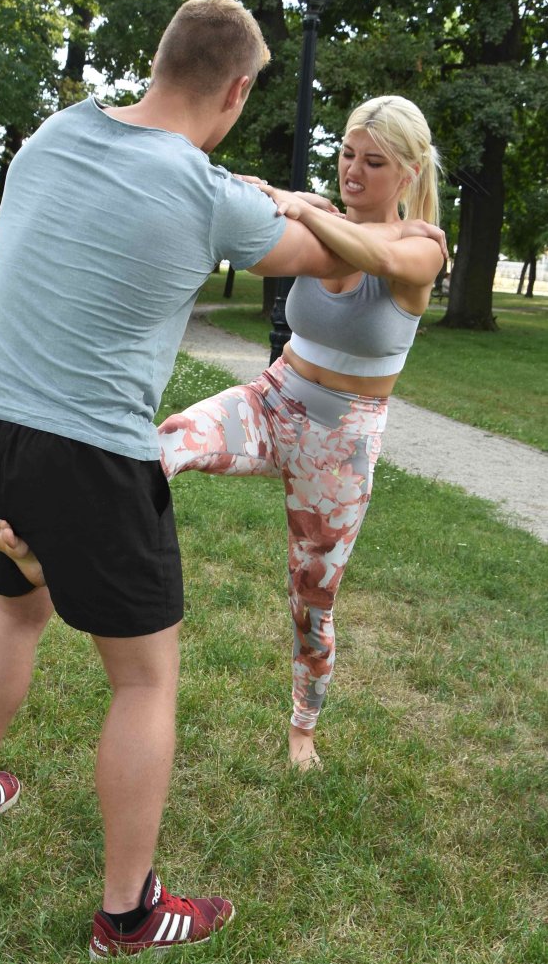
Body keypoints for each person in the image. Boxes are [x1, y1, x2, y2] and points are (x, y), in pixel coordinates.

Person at [0, 0, 379, 961]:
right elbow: (338, 268)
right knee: (144, 678)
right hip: (91, 452)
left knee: (17, 608)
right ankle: (130, 914)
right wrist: (300, 202)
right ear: (237, 88)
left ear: (158, 62)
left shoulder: (56, 134)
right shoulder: (204, 192)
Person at [157, 95, 445, 771]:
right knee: (170, 437)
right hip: (273, 398)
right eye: (347, 154)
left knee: (311, 598)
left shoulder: (422, 246)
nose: (354, 170)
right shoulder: (321, 214)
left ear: (406, 174)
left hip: (340, 441)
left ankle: (302, 730)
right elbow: (285, 214)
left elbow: (368, 248)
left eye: (373, 161)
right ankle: (68, 541)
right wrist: (258, 195)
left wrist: (299, 204)